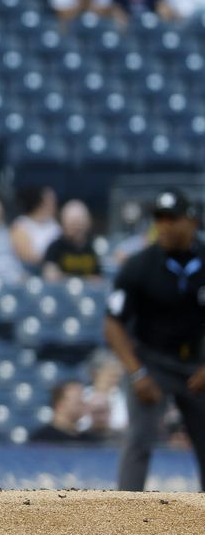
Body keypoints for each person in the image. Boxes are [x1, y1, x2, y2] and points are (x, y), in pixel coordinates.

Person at [106, 190, 205, 491]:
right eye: (159, 218)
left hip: (198, 365)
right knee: (139, 439)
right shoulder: (139, 265)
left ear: (192, 221)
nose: (164, 226)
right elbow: (113, 324)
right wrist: (137, 372)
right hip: (151, 361)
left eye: (171, 218)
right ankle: (125, 516)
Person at [42, 200, 101, 282]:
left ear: (88, 223)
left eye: (80, 223)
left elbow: (98, 279)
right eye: (73, 224)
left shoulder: (94, 247)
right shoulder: (55, 247)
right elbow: (50, 276)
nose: (77, 228)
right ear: (63, 224)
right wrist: (82, 280)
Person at [30, 381, 99, 443]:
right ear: (60, 404)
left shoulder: (88, 440)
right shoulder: (42, 439)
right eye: (78, 401)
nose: (83, 404)